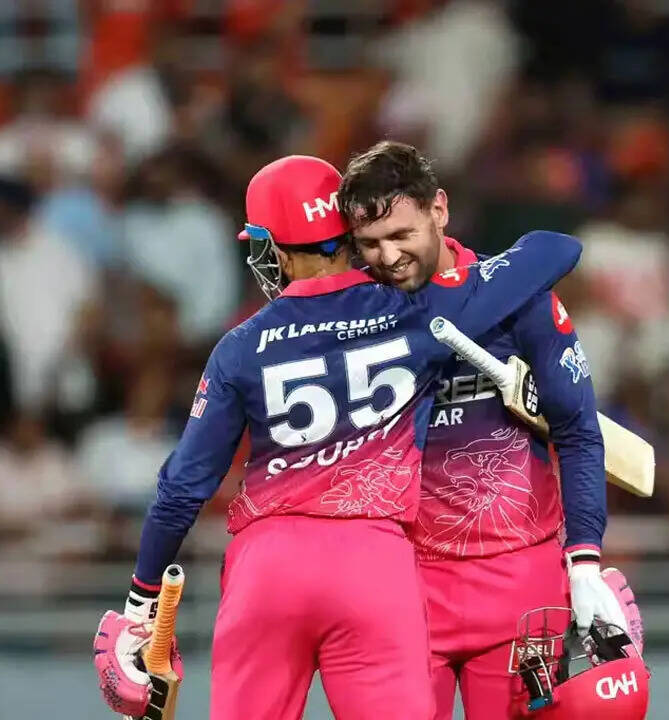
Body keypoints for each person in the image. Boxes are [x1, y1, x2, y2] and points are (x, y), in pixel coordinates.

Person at [93, 154, 583, 719]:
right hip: (374, 561)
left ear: (274, 249)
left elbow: (183, 486)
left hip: (267, 565)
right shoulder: (418, 309)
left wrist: (142, 599)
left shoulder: (241, 345)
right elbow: (554, 250)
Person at [337, 141, 624, 719]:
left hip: (521, 585)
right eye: (369, 244)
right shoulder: (354, 317)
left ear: (439, 209)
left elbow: (577, 431)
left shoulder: (521, 298)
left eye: (402, 234)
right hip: (404, 586)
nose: (388, 257)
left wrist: (585, 561)